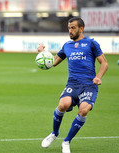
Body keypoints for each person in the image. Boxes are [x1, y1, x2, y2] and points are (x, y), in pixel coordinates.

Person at [39, 17, 108, 153]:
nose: (70, 31)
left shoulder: (91, 43)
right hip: (73, 83)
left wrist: (98, 77)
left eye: (73, 28)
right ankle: (54, 133)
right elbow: (53, 62)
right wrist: (42, 53)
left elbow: (104, 63)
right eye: (69, 28)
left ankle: (66, 142)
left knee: (83, 110)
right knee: (62, 105)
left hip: (89, 85)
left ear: (81, 29)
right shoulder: (67, 46)